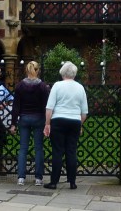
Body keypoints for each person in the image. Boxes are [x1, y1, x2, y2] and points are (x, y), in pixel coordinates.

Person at [43, 61, 88, 190]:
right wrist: (80, 124)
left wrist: (47, 124)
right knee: (71, 151)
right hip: (74, 121)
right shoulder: (80, 87)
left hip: (58, 120)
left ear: (62, 73)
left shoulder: (57, 86)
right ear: (74, 73)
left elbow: (49, 108)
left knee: (57, 151)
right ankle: (72, 182)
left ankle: (54, 182)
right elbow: (84, 112)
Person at [9, 61, 51, 186]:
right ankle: (38, 178)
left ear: (26, 70)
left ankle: (21, 177)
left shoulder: (20, 86)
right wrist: (48, 122)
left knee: (23, 148)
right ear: (37, 70)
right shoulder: (43, 86)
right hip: (39, 118)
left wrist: (13, 124)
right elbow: (46, 106)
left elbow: (16, 106)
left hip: (24, 118)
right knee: (38, 148)